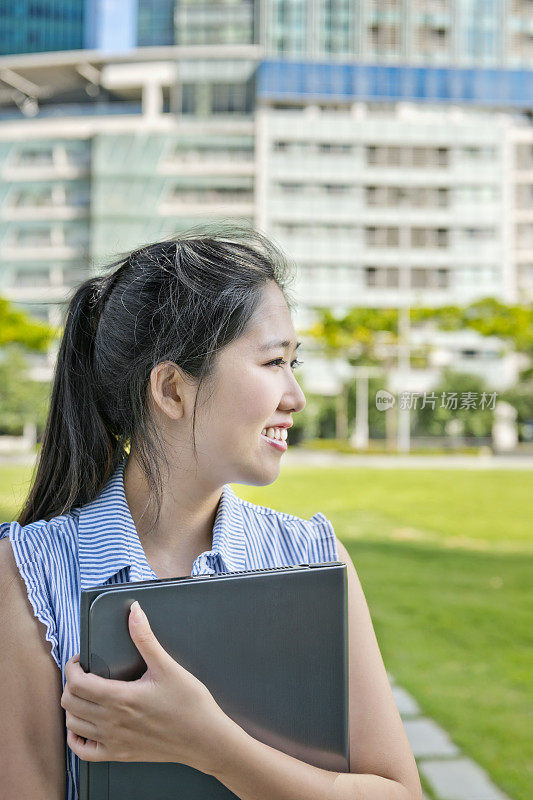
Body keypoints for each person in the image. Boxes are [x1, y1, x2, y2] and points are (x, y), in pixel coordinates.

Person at [0, 227, 422, 800]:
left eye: (294, 362)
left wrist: (210, 746)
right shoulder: (28, 574)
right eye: (273, 362)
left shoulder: (314, 560)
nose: (295, 396)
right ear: (172, 388)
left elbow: (399, 792)